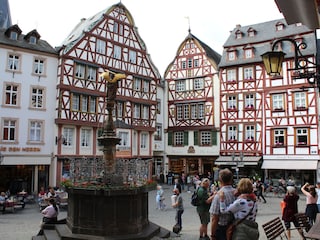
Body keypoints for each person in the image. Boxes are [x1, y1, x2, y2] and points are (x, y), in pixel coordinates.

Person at [210, 168, 236, 240]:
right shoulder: (236, 193)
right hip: (235, 226)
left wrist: (213, 235)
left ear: (220, 180)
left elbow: (215, 218)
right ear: (231, 179)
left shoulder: (218, 195)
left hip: (222, 228)